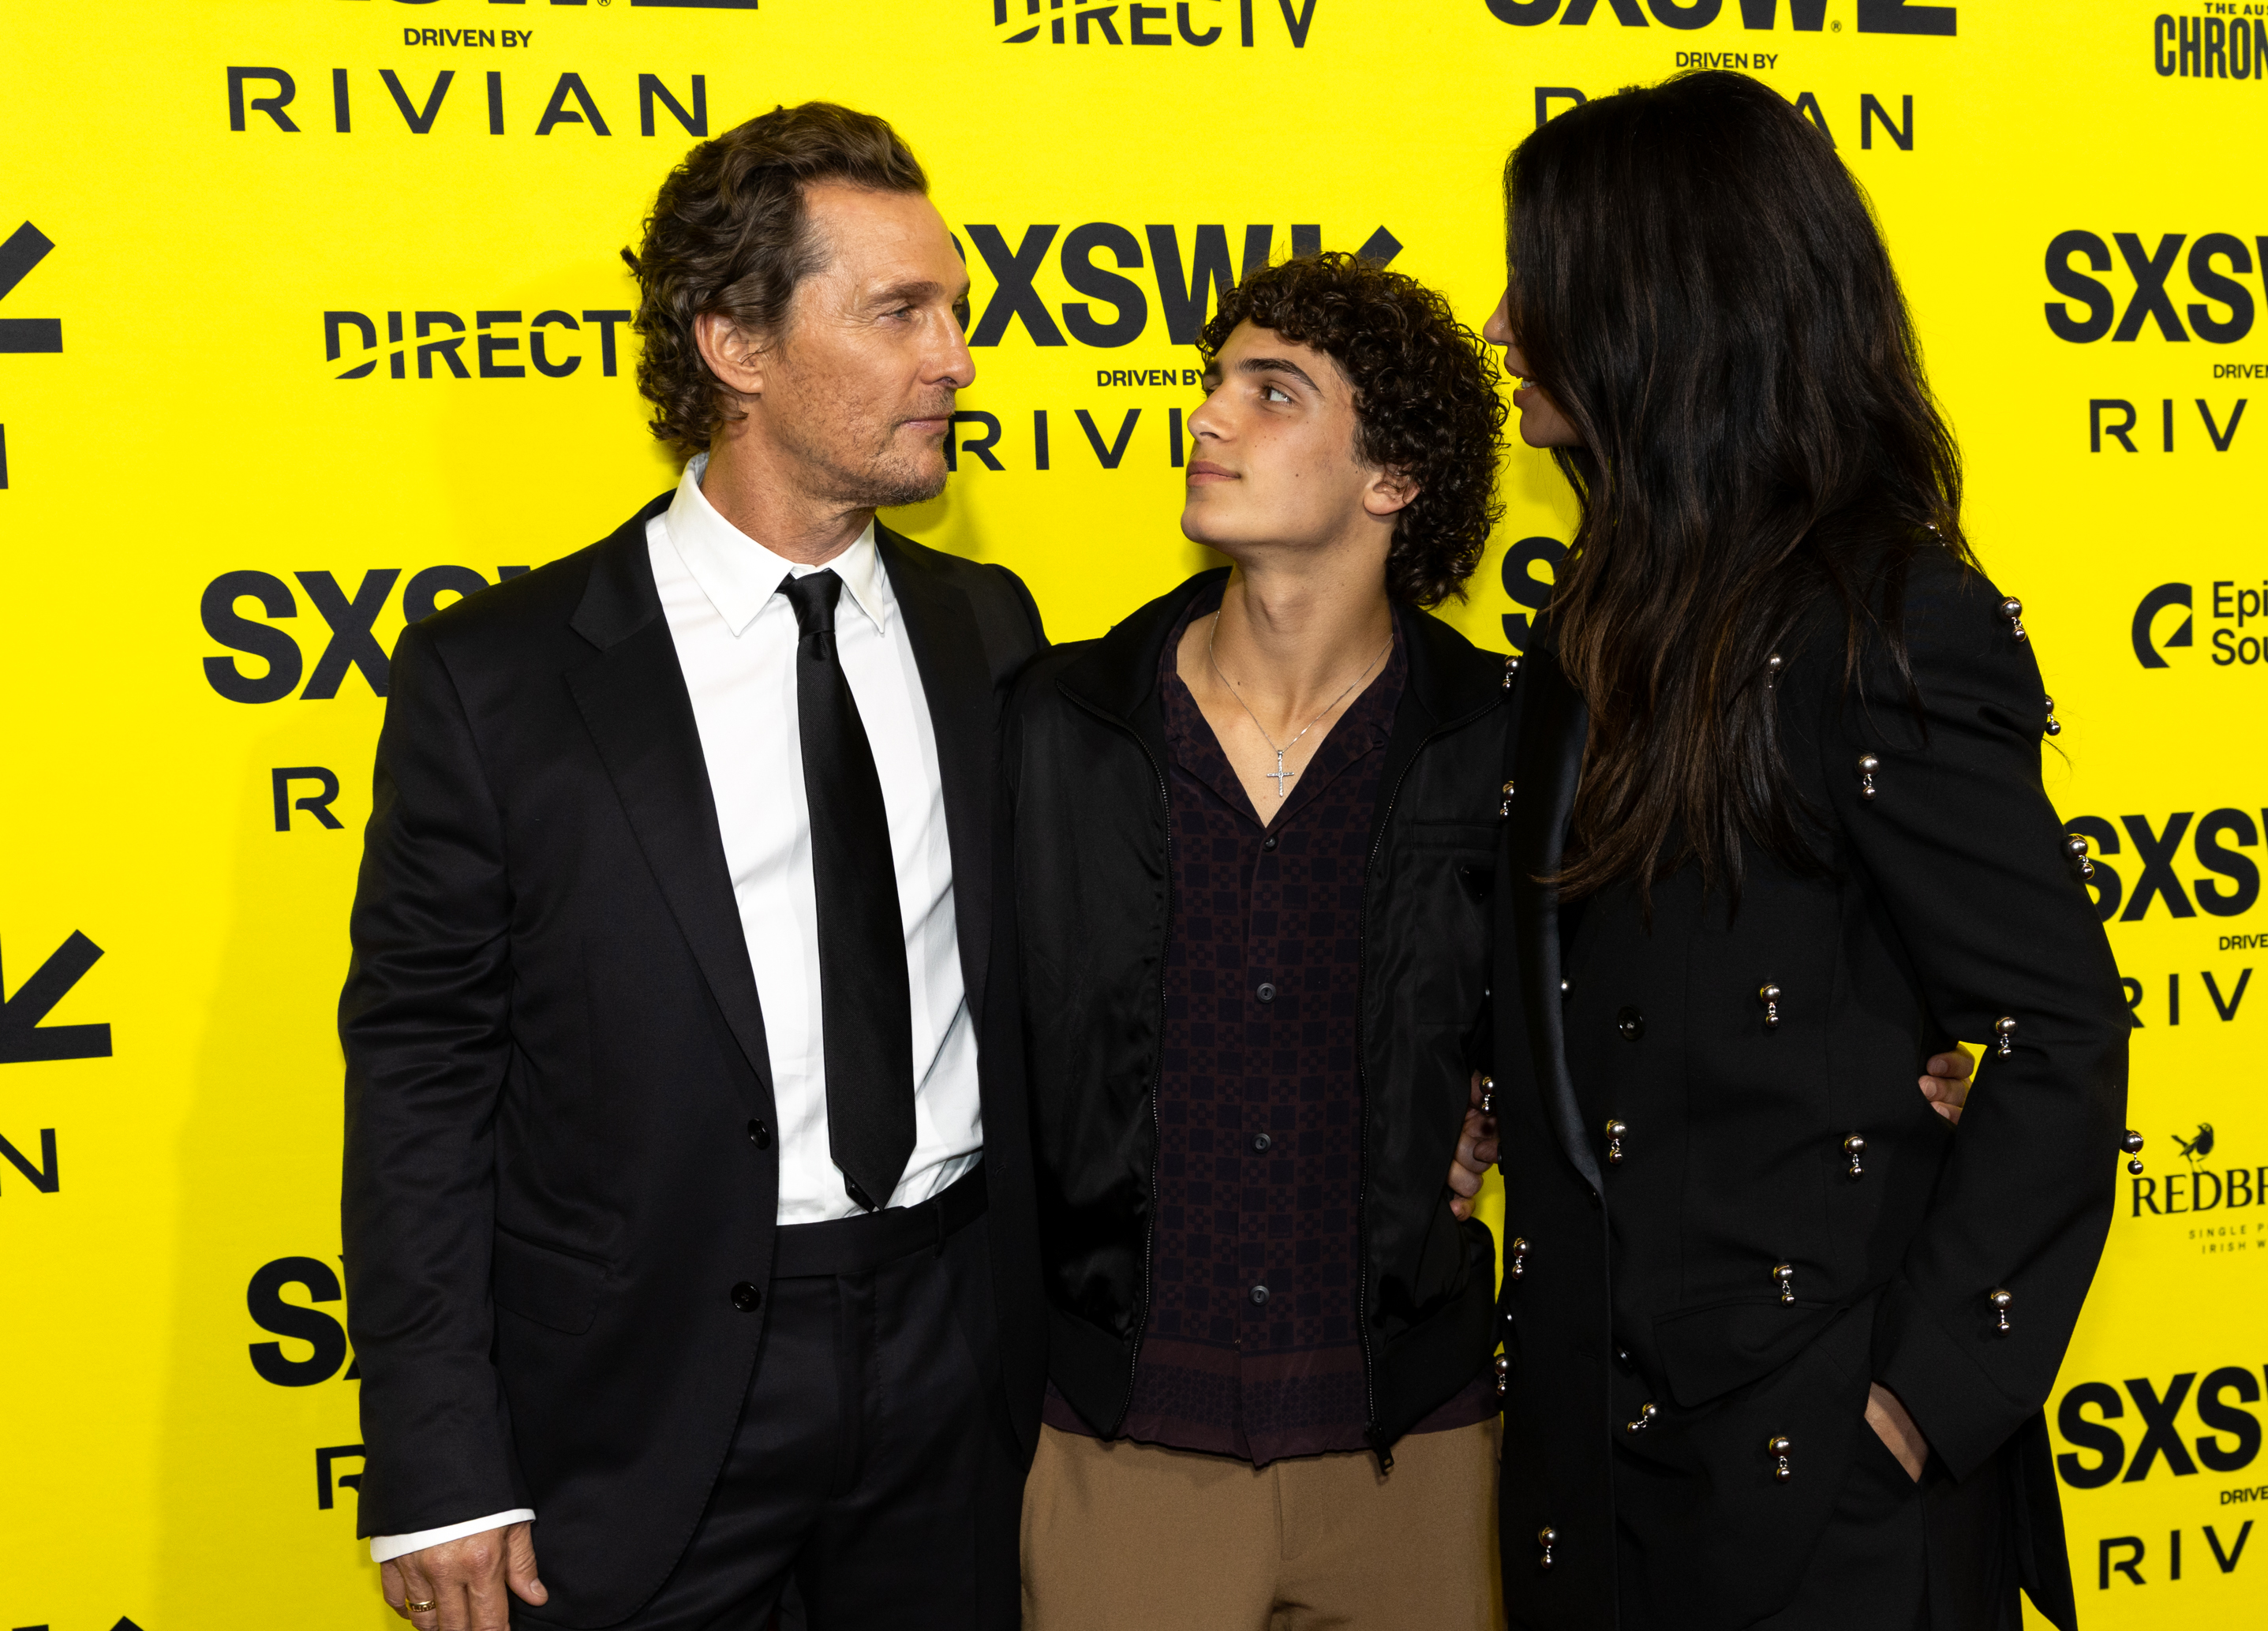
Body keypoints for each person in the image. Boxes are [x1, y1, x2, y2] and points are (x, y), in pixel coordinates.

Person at [999, 253, 1980, 1629]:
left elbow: (1665, 1000)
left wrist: (1902, 1061)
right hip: (1121, 1448)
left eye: (1272, 393)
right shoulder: (1059, 725)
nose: (1210, 419)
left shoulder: (1517, 742)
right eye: (1213, 383)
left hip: (1424, 1454)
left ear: (1391, 479)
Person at [339, 103, 1046, 1631]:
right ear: (734, 343)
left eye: (958, 312)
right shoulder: (502, 677)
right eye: (899, 312)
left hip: (955, 1360)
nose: (957, 358)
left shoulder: (987, 630)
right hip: (635, 1395)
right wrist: (440, 1459)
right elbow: (419, 1073)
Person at [1477, 73, 2128, 1630]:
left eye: (1537, 278)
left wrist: (1908, 1403)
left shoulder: (1877, 623)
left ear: (1647, 302)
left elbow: (2059, 1028)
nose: (1500, 322)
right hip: (1601, 1463)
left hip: (1816, 1480)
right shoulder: (1590, 628)